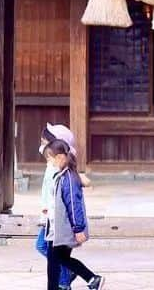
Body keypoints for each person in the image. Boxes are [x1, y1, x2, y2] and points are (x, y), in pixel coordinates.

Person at [43, 139, 104, 290]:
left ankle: (89, 279)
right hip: (57, 227)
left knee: (53, 262)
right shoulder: (62, 175)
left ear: (59, 157)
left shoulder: (68, 178)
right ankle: (92, 278)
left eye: (49, 158)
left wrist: (78, 228)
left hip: (63, 228)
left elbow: (74, 205)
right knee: (61, 258)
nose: (48, 163)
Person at [36, 124, 77, 290]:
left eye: (45, 142)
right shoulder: (50, 165)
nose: (42, 145)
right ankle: (66, 275)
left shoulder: (58, 169)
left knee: (43, 246)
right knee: (46, 248)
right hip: (49, 216)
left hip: (55, 218)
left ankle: (65, 279)